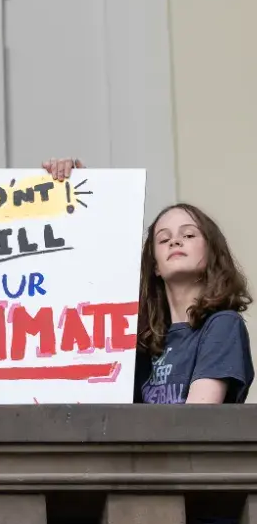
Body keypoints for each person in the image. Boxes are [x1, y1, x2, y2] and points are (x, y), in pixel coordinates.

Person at [43, 158, 254, 405]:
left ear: (211, 254)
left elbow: (198, 421)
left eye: (188, 234)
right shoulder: (143, 339)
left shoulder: (222, 325)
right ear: (155, 266)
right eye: (164, 239)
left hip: (184, 444)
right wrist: (79, 191)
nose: (175, 241)